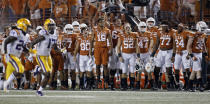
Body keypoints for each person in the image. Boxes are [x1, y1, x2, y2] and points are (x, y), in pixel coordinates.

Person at [30, 18, 59, 96]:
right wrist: (31, 52)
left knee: (48, 75)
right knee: (47, 73)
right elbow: (33, 43)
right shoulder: (43, 34)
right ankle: (38, 68)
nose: (52, 27)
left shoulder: (55, 35)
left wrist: (61, 51)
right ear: (46, 26)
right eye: (50, 26)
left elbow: (55, 47)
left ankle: (39, 91)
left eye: (53, 25)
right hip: (40, 56)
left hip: (48, 56)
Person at [3, 18, 31, 92]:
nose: (28, 28)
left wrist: (28, 51)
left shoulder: (25, 35)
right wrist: (6, 52)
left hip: (16, 56)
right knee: (20, 69)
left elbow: (21, 45)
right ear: (23, 26)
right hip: (11, 54)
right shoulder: (15, 32)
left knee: (9, 73)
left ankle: (5, 87)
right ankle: (6, 84)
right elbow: (7, 40)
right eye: (27, 26)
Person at [90, 18, 112, 89]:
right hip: (97, 49)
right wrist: (91, 49)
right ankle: (98, 81)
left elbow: (110, 41)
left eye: (103, 22)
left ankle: (106, 82)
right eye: (101, 22)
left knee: (105, 65)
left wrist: (110, 49)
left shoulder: (107, 30)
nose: (102, 23)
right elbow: (91, 40)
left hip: (104, 49)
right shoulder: (95, 29)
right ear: (98, 23)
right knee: (97, 65)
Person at [116, 23, 140, 90]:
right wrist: (120, 56)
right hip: (124, 54)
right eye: (126, 27)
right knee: (124, 70)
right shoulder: (121, 35)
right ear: (124, 28)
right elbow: (118, 47)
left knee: (132, 70)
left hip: (132, 54)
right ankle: (124, 86)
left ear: (131, 28)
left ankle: (132, 85)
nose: (128, 29)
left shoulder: (134, 34)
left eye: (128, 27)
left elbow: (137, 46)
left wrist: (138, 56)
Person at [187, 21, 208, 92]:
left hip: (200, 53)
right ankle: (201, 85)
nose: (203, 30)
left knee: (194, 71)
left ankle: (189, 86)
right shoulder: (193, 34)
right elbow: (188, 46)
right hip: (194, 54)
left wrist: (205, 54)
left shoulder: (203, 35)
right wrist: (192, 55)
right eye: (202, 28)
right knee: (198, 69)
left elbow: (203, 45)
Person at [74, 23, 93, 90]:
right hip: (81, 56)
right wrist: (74, 56)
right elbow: (77, 48)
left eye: (86, 31)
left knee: (89, 71)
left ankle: (89, 85)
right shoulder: (79, 39)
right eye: (84, 31)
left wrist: (91, 52)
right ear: (82, 32)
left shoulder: (91, 38)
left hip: (88, 57)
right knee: (81, 71)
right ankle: (81, 85)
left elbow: (93, 47)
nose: (85, 32)